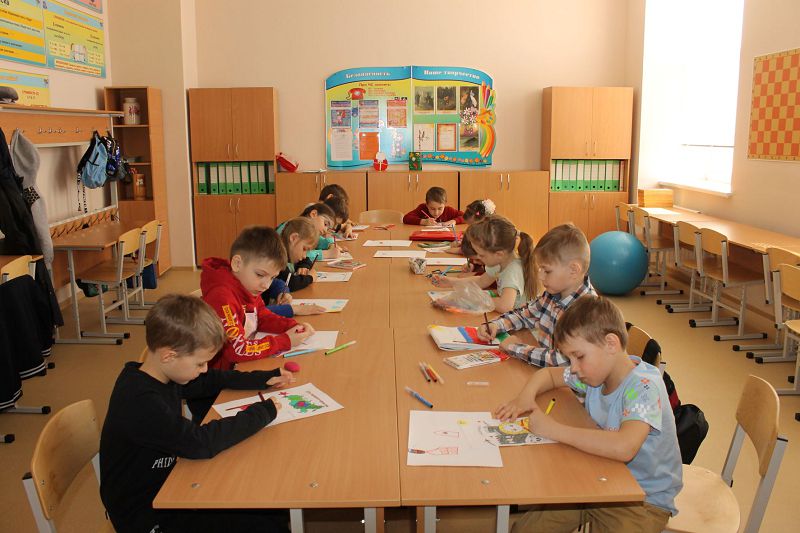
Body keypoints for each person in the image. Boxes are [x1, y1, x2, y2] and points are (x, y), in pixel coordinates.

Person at [100, 294, 293, 533]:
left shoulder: (165, 373)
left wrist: (263, 378)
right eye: (200, 363)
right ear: (169, 355)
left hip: (174, 483)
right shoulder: (139, 400)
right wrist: (261, 413)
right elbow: (199, 443)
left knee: (272, 510)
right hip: (147, 511)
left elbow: (212, 380)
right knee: (264, 522)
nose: (204, 370)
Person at [495, 296, 682, 533]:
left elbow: (624, 447)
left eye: (579, 356)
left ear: (611, 344)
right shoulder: (596, 375)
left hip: (642, 500)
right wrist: (526, 397)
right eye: (570, 359)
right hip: (598, 476)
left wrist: (553, 430)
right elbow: (548, 375)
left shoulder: (643, 387)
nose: (573, 368)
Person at [477, 223, 596, 367]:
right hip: (543, 371)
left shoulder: (587, 312)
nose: (540, 276)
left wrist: (516, 348)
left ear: (573, 270)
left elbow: (562, 361)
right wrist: (496, 325)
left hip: (564, 380)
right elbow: (525, 314)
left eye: (547, 271)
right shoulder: (553, 294)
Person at [200, 226, 314, 371]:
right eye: (260, 275)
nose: (266, 285)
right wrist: (284, 341)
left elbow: (261, 316)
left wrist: (292, 326)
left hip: (240, 366)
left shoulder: (247, 286)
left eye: (272, 278)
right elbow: (237, 349)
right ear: (237, 264)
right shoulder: (222, 297)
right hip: (220, 376)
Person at [430, 215, 532, 313]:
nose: (478, 258)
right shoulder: (500, 261)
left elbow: (504, 306)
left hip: (520, 321)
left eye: (482, 255)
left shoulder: (512, 271)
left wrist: (473, 299)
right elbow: (481, 281)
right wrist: (451, 282)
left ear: (499, 254)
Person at [263, 218, 326, 315]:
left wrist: (283, 292)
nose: (304, 255)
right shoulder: (274, 256)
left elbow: (276, 283)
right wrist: (310, 278)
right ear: (294, 238)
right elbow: (290, 283)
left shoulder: (285, 253)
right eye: (304, 249)